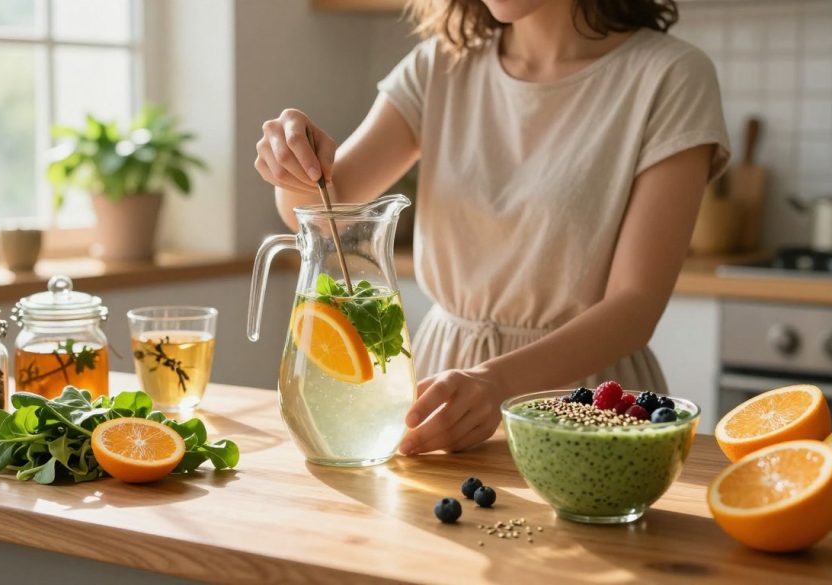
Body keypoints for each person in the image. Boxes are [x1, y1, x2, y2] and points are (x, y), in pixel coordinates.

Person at [254, 0, 729, 455]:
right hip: (446, 387)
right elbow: (326, 202)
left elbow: (636, 307)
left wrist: (498, 382)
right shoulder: (439, 65)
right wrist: (292, 160)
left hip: (585, 401)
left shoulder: (672, 76)